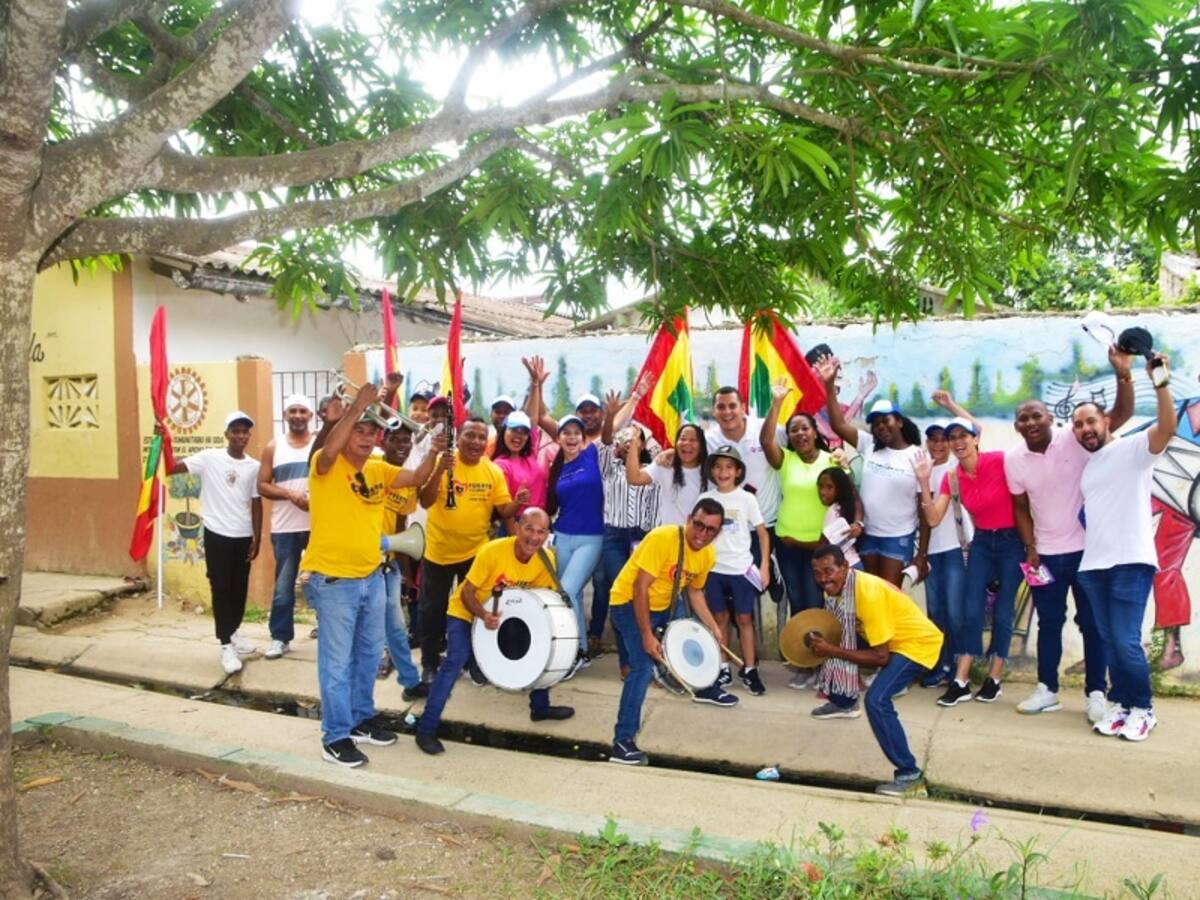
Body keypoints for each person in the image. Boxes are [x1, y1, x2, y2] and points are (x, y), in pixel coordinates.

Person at [300, 384, 442, 767]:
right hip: (334, 583)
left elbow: (415, 478)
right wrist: (357, 407)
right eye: (359, 431)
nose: (366, 439)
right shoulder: (324, 467)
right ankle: (335, 736)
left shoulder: (378, 470)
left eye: (370, 432)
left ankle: (360, 719)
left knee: (365, 657)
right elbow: (329, 449)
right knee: (336, 664)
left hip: (372, 578)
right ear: (345, 433)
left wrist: (435, 450)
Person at [1006, 346, 1134, 720]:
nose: (1030, 423)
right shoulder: (1015, 459)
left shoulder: (1073, 438)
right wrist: (1030, 547)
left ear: (1050, 419)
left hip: (1086, 553)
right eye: (1023, 419)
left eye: (1036, 416)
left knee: (1093, 624)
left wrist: (1122, 374)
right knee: (1049, 623)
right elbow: (1019, 506)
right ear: (1017, 426)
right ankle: (1047, 689)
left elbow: (1120, 415)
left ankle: (1097, 692)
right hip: (1044, 556)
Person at [414, 508, 576, 755]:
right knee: (455, 660)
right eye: (529, 529)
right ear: (517, 527)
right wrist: (483, 616)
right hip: (467, 612)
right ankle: (426, 729)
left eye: (541, 531)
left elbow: (540, 600)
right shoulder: (492, 551)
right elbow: (467, 592)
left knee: (541, 648)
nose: (534, 537)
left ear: (547, 534)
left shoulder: (546, 560)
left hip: (502, 617)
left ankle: (540, 708)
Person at [1075, 353, 1176, 742]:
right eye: (1079, 424)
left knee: (1125, 640)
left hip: (1130, 561)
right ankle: (1121, 703)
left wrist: (1159, 381)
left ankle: (1144, 708)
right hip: (1094, 565)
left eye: (1091, 421)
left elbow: (1167, 426)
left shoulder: (1132, 449)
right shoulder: (1090, 465)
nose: (1085, 428)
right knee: (1107, 639)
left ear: (1107, 422)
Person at [808, 545, 943, 797]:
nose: (824, 579)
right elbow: (837, 629)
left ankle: (910, 777)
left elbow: (880, 657)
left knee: (877, 700)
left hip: (918, 643)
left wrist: (831, 650)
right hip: (893, 641)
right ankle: (843, 700)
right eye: (817, 573)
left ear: (845, 567)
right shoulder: (835, 590)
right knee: (850, 661)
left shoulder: (867, 593)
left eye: (829, 571)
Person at [607, 499, 734, 767]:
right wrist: (646, 634)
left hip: (666, 603)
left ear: (718, 532)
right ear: (689, 519)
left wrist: (712, 626)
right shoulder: (663, 538)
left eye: (711, 530)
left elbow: (695, 591)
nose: (702, 534)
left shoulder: (708, 554)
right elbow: (640, 588)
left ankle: (703, 685)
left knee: (694, 636)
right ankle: (622, 742)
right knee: (641, 669)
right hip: (628, 604)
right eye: (698, 525)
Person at [914, 415, 1018, 706]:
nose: (958, 442)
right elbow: (933, 518)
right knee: (971, 610)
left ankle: (994, 678)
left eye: (963, 436)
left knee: (1002, 612)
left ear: (975, 438)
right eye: (952, 438)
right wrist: (924, 482)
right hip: (982, 542)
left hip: (1012, 542)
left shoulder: (1000, 460)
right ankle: (961, 680)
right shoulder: (952, 477)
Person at [417, 416, 524, 682]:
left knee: (476, 609)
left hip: (476, 555)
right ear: (459, 437)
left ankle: (477, 663)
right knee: (432, 611)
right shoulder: (445, 462)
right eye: (470, 435)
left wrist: (518, 503)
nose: (475, 442)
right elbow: (425, 500)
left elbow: (503, 511)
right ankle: (430, 664)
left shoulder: (492, 471)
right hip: (438, 553)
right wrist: (440, 470)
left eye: (480, 437)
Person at [162, 411, 262, 674]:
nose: (241, 436)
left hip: (243, 536)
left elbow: (256, 502)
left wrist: (257, 536)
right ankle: (226, 643)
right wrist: (165, 442)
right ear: (226, 434)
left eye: (245, 431)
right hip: (217, 534)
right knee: (221, 589)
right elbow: (172, 468)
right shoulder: (209, 458)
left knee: (239, 590)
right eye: (236, 431)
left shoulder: (253, 466)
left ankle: (235, 632)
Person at [816, 358, 929, 587]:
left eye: (885, 420)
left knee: (888, 596)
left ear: (898, 421)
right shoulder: (869, 445)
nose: (880, 427)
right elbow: (838, 425)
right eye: (875, 424)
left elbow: (924, 508)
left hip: (897, 539)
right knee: (869, 596)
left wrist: (922, 554)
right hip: (866, 535)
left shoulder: (917, 456)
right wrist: (828, 384)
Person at [696, 445, 770, 695]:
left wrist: (765, 567)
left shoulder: (747, 499)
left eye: (729, 467)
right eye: (718, 467)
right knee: (719, 619)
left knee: (745, 619)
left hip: (740, 569)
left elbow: (762, 532)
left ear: (738, 471)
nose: (723, 472)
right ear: (711, 471)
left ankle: (750, 669)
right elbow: (695, 533)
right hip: (714, 570)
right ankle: (723, 666)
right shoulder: (705, 499)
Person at [760, 384, 836, 617]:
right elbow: (765, 440)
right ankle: (800, 652)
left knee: (815, 602)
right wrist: (777, 403)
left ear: (815, 432)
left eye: (805, 428)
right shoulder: (787, 459)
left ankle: (819, 652)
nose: (800, 433)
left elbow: (847, 501)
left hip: (820, 547)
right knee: (797, 601)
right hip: (788, 544)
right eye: (794, 430)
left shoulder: (832, 460)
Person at [593, 424, 660, 671]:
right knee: (622, 595)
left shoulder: (653, 470)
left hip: (644, 537)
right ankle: (626, 660)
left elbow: (661, 451)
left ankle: (649, 655)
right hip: (615, 538)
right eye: (624, 438)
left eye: (635, 439)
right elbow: (605, 441)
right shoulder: (609, 469)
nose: (629, 441)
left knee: (644, 597)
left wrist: (642, 433)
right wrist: (613, 421)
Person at [546, 409, 608, 673]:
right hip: (562, 536)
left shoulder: (592, 455)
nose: (571, 438)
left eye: (576, 433)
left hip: (591, 538)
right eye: (566, 433)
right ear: (558, 438)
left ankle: (578, 652)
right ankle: (576, 648)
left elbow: (612, 429)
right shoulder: (556, 468)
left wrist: (635, 398)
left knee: (568, 590)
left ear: (583, 438)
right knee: (572, 595)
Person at [256, 395, 315, 660]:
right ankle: (280, 637)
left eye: (303, 411)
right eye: (293, 411)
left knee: (325, 582)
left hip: (318, 525)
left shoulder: (319, 444)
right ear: (285, 414)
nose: (298, 415)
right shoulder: (273, 446)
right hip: (285, 527)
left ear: (311, 416)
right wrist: (292, 495)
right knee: (283, 585)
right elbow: (263, 484)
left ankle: (328, 629)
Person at [375, 422, 430, 702]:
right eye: (395, 439)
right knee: (373, 625)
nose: (402, 445)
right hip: (361, 562)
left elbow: (400, 528)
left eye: (406, 441)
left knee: (396, 625)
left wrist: (405, 573)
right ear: (382, 442)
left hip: (387, 563)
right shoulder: (370, 465)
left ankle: (410, 680)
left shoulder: (407, 482)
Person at [917, 418, 972, 689]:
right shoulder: (922, 469)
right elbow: (924, 517)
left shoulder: (956, 467)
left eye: (943, 439)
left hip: (954, 549)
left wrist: (951, 406)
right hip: (933, 552)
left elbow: (976, 431)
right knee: (936, 612)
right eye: (933, 439)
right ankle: (941, 664)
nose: (938, 444)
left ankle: (961, 668)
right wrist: (922, 554)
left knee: (955, 613)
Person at [624, 423, 709, 525]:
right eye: (683, 439)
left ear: (701, 446)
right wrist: (634, 445)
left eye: (693, 440)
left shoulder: (709, 472)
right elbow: (634, 478)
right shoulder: (665, 465)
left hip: (699, 538)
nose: (687, 443)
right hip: (668, 536)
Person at [816, 466, 864, 571]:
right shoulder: (843, 508)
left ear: (840, 489)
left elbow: (822, 545)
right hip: (853, 564)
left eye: (829, 487)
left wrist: (794, 542)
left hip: (845, 568)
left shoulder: (833, 512)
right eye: (820, 486)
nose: (823, 492)